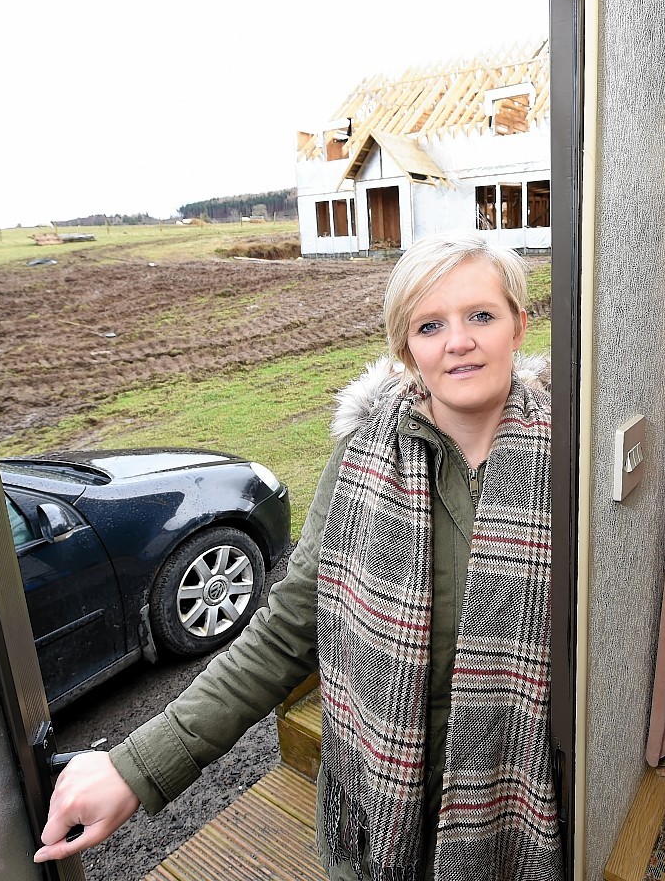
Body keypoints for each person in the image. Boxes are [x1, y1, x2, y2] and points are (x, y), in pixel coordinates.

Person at [34, 232, 562, 881]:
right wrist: (137, 765)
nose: (458, 340)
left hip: (525, 801)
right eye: (430, 324)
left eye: (480, 314)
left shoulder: (572, 461)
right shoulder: (359, 464)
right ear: (407, 349)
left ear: (517, 325)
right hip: (381, 811)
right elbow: (286, 632)